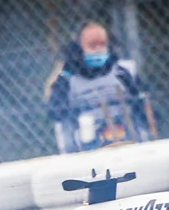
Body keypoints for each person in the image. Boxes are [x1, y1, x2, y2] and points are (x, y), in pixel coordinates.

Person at [45, 21, 157, 153]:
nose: (98, 49)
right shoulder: (66, 79)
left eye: (102, 44)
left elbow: (145, 106)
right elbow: (56, 114)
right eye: (92, 45)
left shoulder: (124, 72)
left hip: (130, 142)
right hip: (86, 149)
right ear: (79, 48)